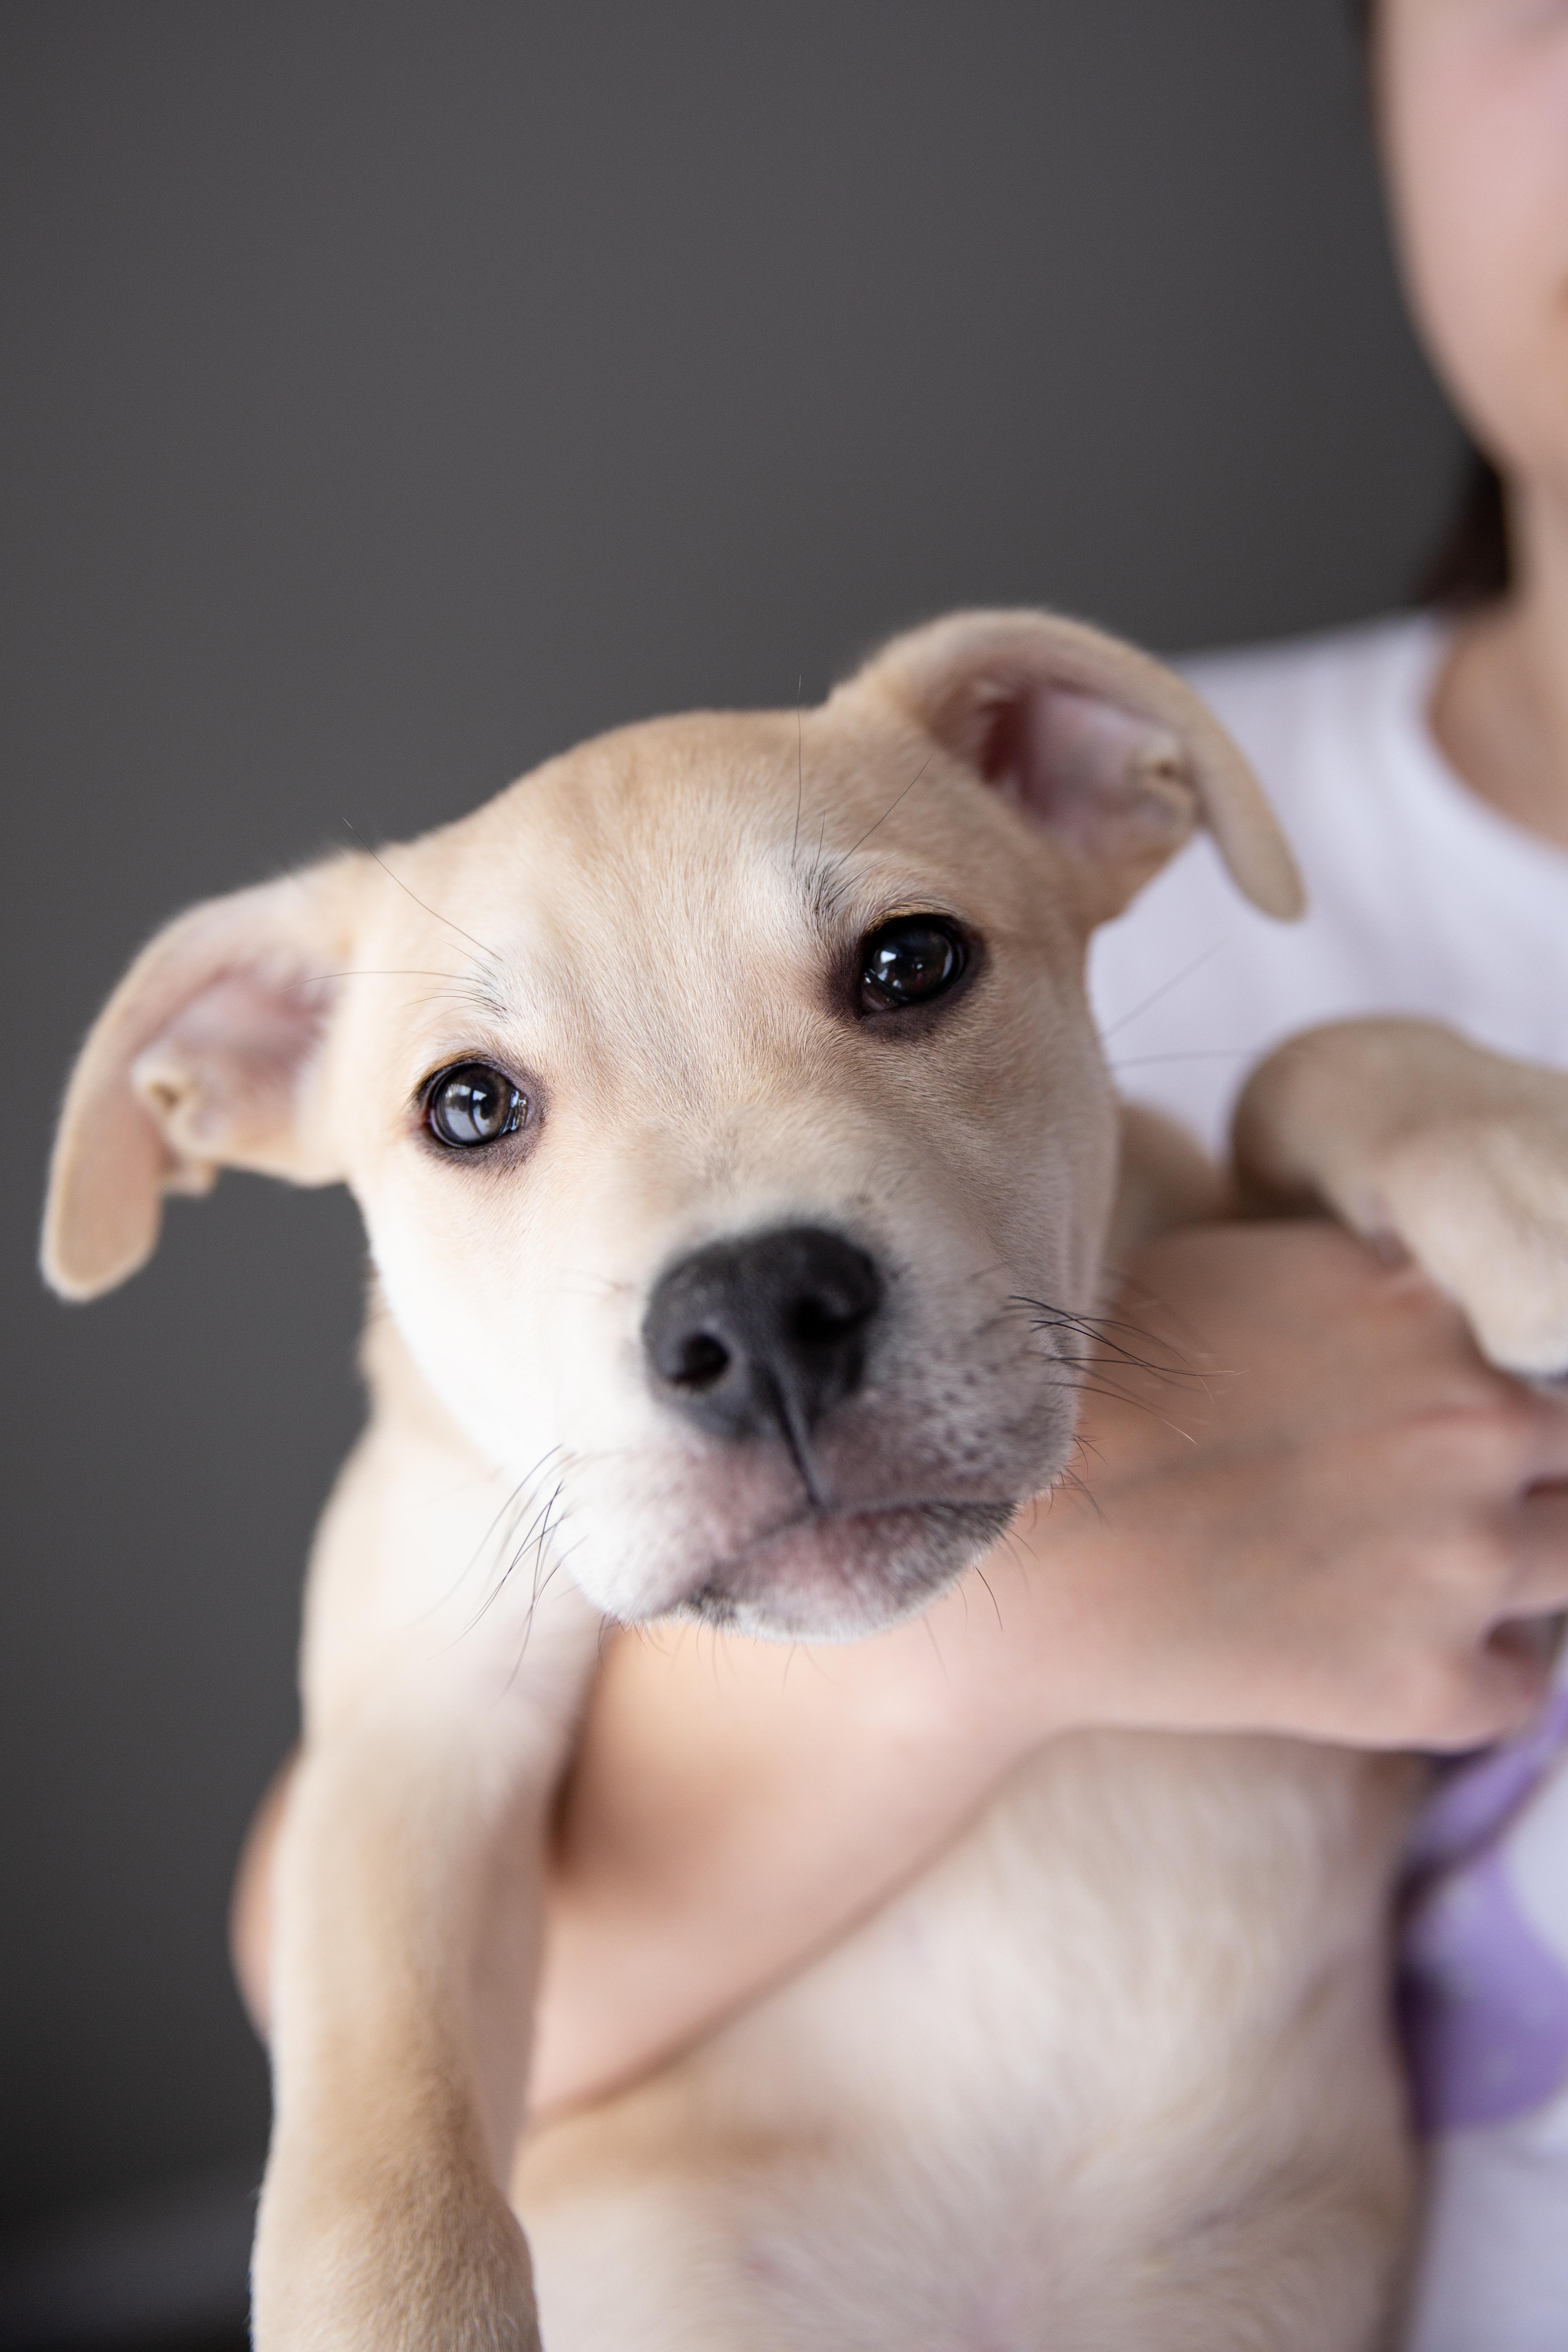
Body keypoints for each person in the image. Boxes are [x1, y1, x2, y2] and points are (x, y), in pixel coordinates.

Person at [233, 2, 1568, 2342]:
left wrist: (1382, 1092)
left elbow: (1241, 1169)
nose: (741, 1262)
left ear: (1101, 798)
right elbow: (361, 1848)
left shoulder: (1183, 1011)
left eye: (900, 968)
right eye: (477, 1107)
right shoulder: (492, 1386)